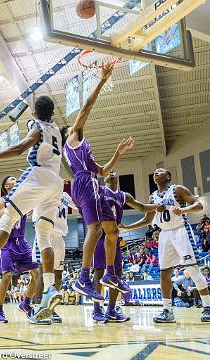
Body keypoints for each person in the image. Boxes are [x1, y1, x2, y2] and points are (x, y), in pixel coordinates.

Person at [0, 96, 64, 324]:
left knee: (9, 218)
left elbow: (22, 147)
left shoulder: (38, 126)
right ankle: (50, 287)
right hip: (56, 183)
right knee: (44, 237)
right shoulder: (57, 131)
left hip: (39, 174)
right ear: (52, 112)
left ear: (34, 113)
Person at [61, 61, 134, 301]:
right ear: (68, 133)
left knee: (111, 231)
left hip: (91, 181)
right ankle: (83, 277)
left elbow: (103, 171)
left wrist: (118, 153)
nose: (77, 126)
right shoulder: (73, 137)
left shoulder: (83, 149)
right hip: (85, 183)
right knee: (95, 229)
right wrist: (102, 80)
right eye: (72, 127)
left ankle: (110, 273)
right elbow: (86, 108)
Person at [120, 168, 210, 322]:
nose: (156, 172)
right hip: (164, 234)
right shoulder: (153, 197)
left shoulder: (178, 189)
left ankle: (207, 307)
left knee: (192, 268)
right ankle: (167, 311)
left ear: (168, 177)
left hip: (181, 230)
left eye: (160, 171)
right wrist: (128, 228)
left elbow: (199, 205)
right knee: (164, 273)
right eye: (155, 171)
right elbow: (147, 220)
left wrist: (183, 209)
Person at [92, 171, 159, 323]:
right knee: (99, 272)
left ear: (118, 178)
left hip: (114, 237)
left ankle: (111, 309)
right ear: (105, 178)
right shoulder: (100, 190)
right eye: (108, 172)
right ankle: (96, 310)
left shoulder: (124, 196)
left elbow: (142, 207)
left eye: (114, 171)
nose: (111, 172)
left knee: (118, 273)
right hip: (100, 236)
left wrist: (158, 206)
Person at [0, 176, 39, 323]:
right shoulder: (1, 201)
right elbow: (4, 214)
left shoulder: (23, 199)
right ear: (7, 186)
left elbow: (33, 209)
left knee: (37, 274)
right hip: (6, 242)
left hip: (21, 242)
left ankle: (25, 304)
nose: (16, 179)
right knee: (6, 276)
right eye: (13, 179)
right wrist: (21, 201)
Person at [32, 190, 77, 323]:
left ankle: (51, 308)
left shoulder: (65, 195)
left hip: (59, 237)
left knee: (58, 274)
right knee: (43, 271)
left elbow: (79, 205)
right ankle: (38, 307)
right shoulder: (43, 188)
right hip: (45, 233)